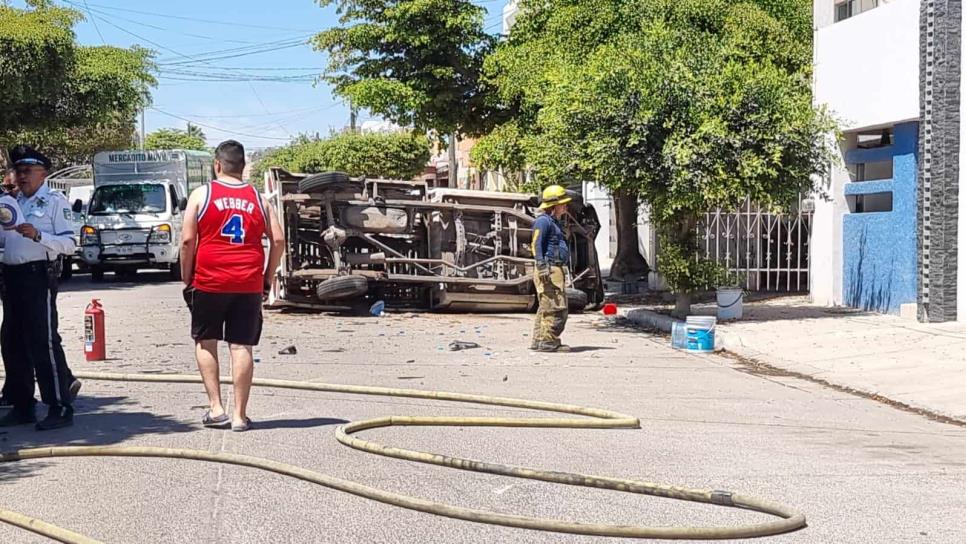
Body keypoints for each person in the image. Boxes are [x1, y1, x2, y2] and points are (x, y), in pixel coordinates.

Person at [181, 140, 284, 432]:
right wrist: (267, 277)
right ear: (243, 168)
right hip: (248, 282)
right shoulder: (259, 199)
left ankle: (216, 409)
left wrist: (186, 276)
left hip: (209, 280)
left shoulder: (202, 194)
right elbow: (278, 241)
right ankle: (240, 415)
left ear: (217, 165)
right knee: (241, 346)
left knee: (206, 341)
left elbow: (187, 241)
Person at [0, 146, 81, 430]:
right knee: (12, 342)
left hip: (37, 276)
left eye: (28, 171)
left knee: (43, 342)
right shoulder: (11, 202)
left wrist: (39, 235)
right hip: (10, 276)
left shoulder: (55, 202)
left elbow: (70, 244)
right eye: (18, 171)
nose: (21, 176)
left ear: (43, 174)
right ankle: (23, 405)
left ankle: (59, 406)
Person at [530, 185, 572, 353]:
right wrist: (541, 266)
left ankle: (540, 340)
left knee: (546, 306)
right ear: (553, 206)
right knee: (556, 307)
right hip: (550, 268)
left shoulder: (552, 222)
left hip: (554, 268)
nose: (565, 207)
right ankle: (549, 341)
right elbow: (536, 244)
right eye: (563, 204)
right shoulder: (543, 221)